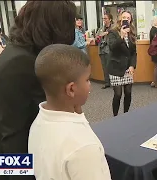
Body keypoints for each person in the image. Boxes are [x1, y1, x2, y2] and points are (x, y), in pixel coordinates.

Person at [0, 1, 77, 179]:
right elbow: (13, 135)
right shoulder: (20, 63)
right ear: (53, 25)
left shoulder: (23, 52)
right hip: (9, 163)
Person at [29, 44, 111, 180]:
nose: (90, 85)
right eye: (87, 79)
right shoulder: (83, 146)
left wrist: (77, 111)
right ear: (71, 89)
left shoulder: (38, 122)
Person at [107, 11, 137, 116]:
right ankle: (115, 116)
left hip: (127, 67)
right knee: (118, 94)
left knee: (128, 93)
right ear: (120, 19)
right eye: (124, 17)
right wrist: (121, 35)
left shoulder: (132, 32)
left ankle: (126, 114)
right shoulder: (113, 32)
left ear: (131, 20)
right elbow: (112, 48)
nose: (126, 19)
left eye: (128, 18)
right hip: (115, 67)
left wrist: (132, 65)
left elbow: (133, 53)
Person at [96, 13, 113, 89]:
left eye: (106, 18)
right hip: (102, 50)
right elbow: (97, 36)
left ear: (110, 19)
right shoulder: (101, 28)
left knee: (111, 66)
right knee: (104, 67)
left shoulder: (113, 28)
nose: (104, 20)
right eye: (103, 19)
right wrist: (99, 36)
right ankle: (107, 83)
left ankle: (113, 82)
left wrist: (107, 33)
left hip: (109, 50)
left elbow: (115, 37)